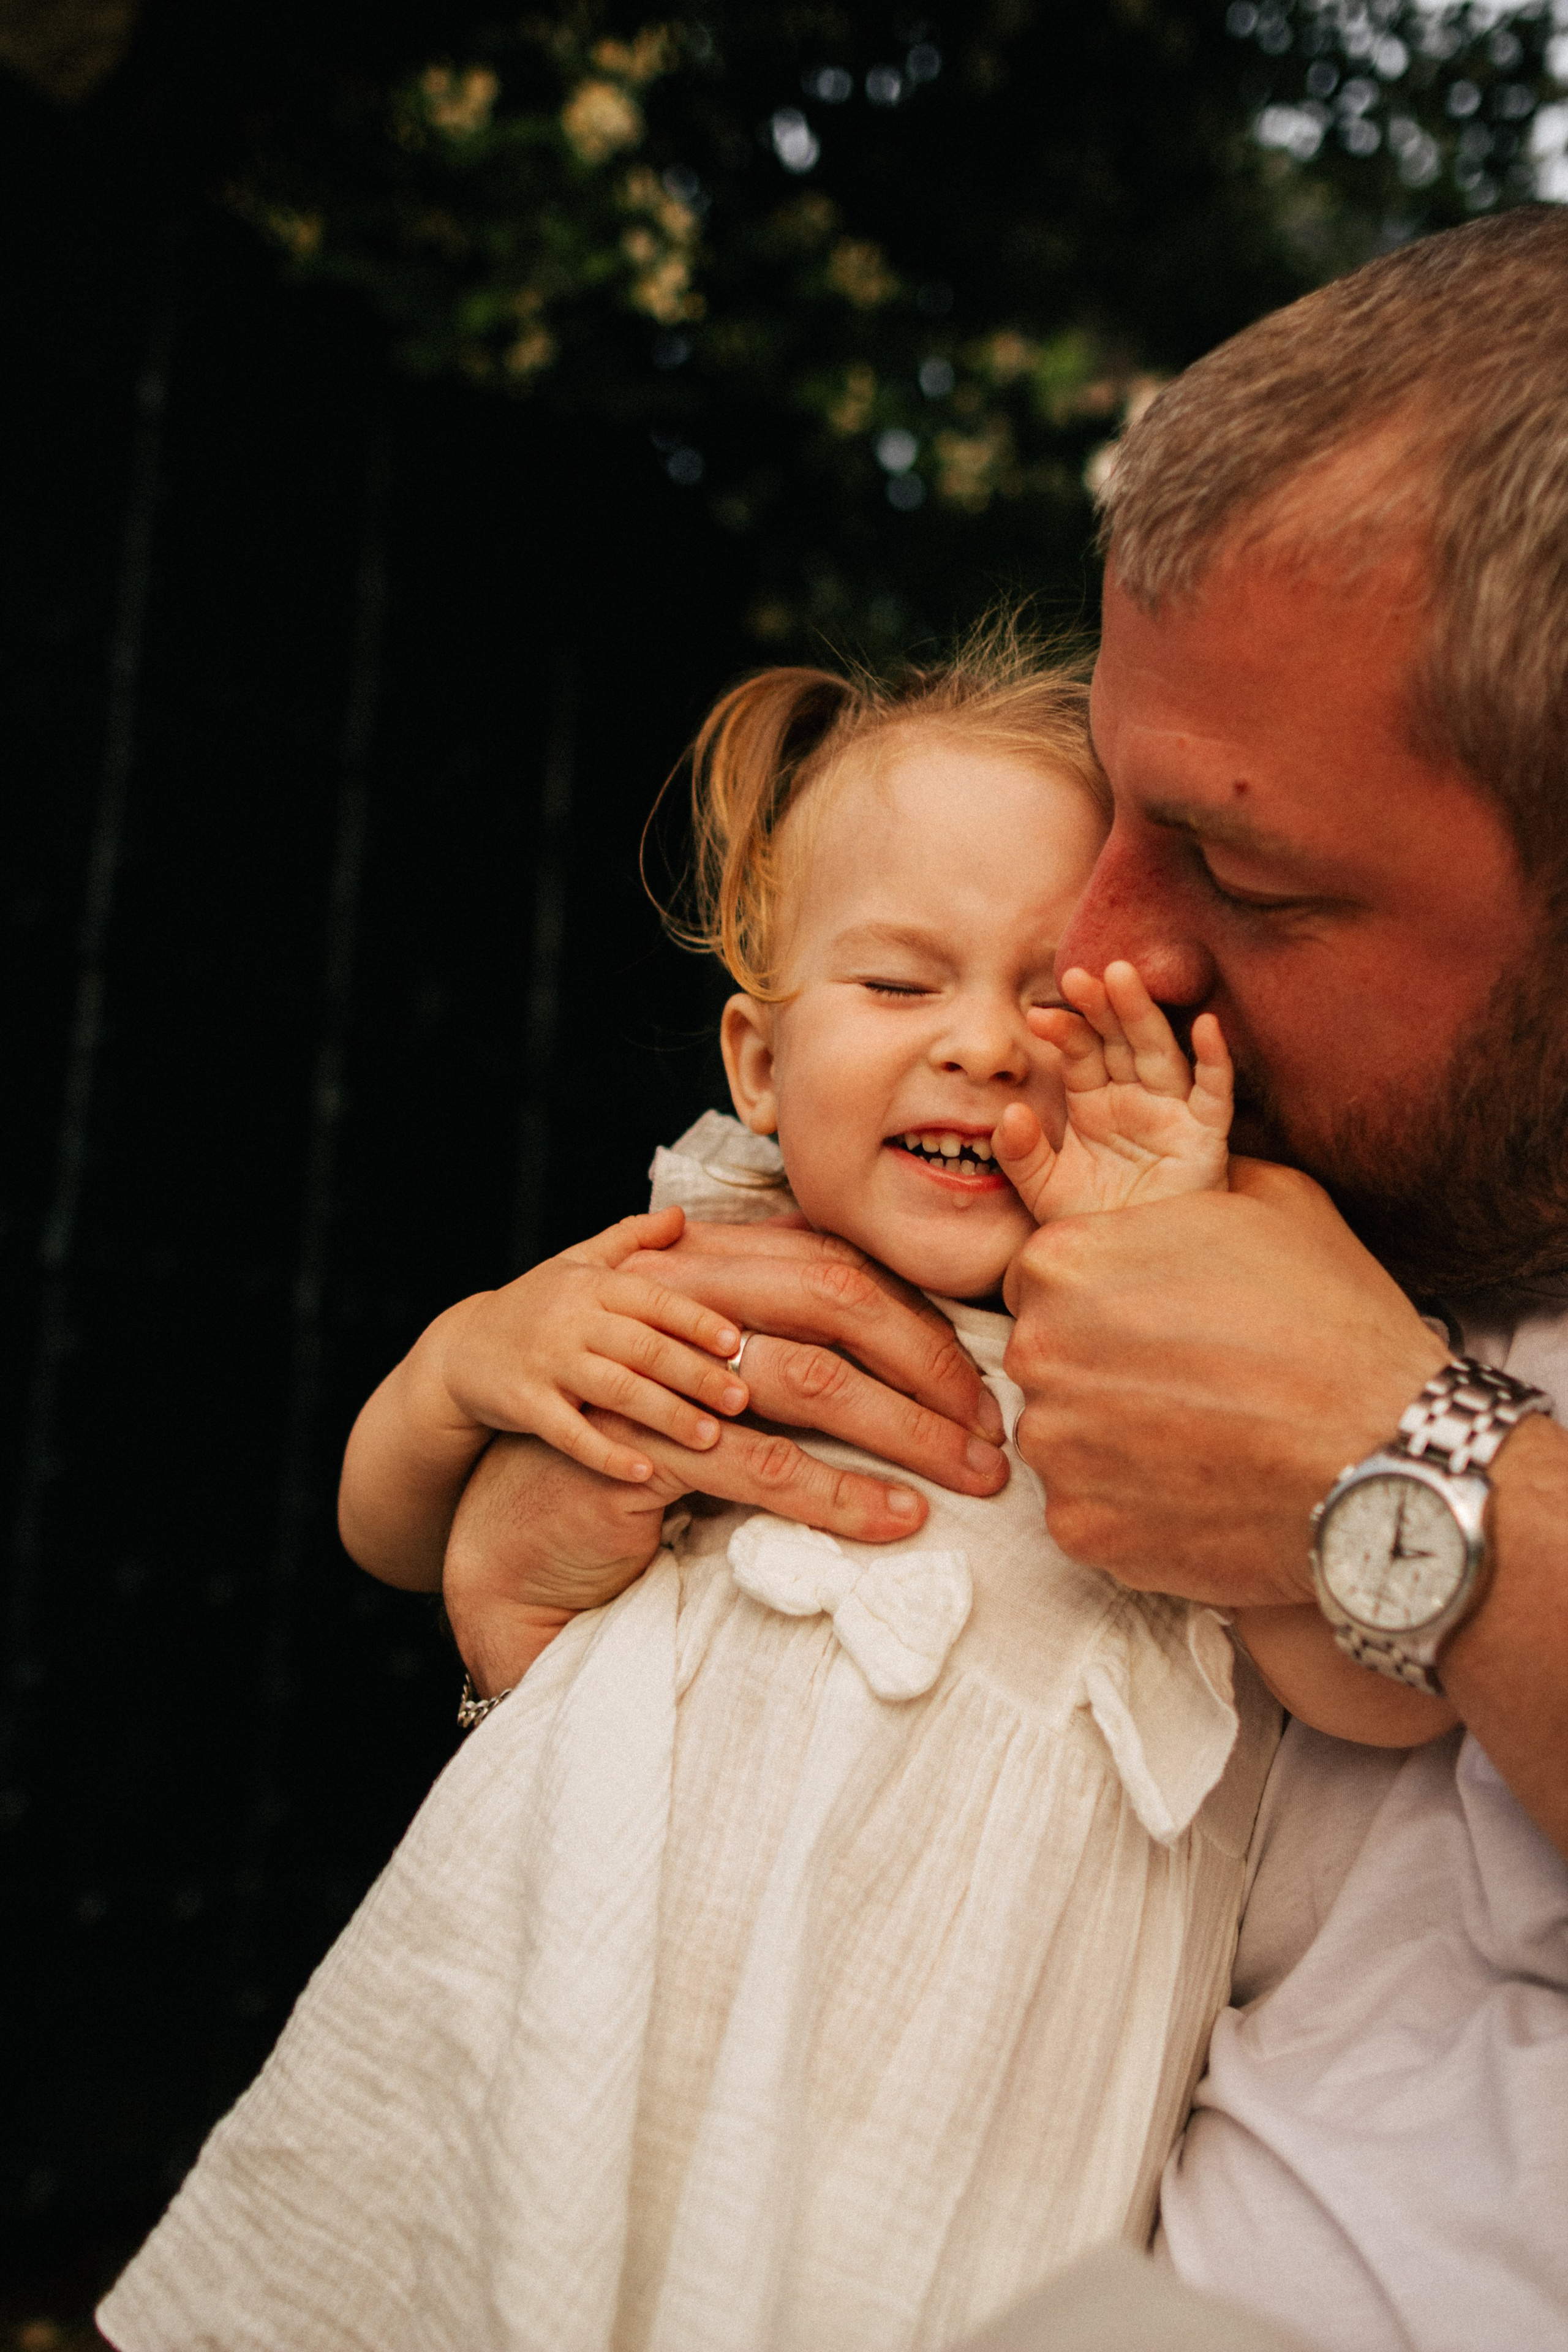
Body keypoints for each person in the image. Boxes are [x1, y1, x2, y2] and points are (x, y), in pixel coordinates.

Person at [341, 206, 1568, 2352]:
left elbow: (1337, 1667)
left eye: (1248, 873)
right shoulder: (1234, 1182)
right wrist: (519, 1493)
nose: (1103, 965)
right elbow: (448, 1532)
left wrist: (1402, 1479)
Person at [102, 632, 1423, 2352]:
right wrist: (464, 1365)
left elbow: (1368, 1693)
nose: (982, 1047)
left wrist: (1167, 1253)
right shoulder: (697, 1247)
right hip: (576, 1979)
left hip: (946, 2086)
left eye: (1057, 998)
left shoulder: (1202, 1323)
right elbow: (392, 1524)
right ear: (756, 1063)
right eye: (898, 986)